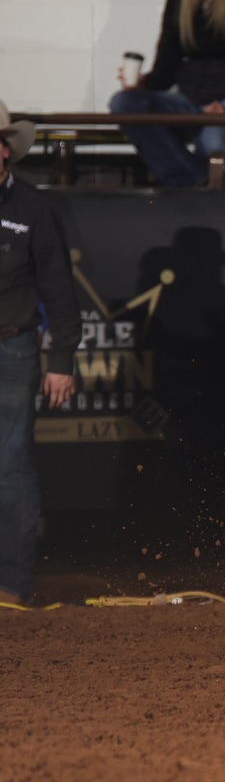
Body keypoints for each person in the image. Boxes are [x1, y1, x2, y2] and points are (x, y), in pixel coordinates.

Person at [0, 103, 81, 607]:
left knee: (9, 465)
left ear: (4, 150)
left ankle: (10, 586)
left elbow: (58, 287)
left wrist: (61, 360)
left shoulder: (33, 207)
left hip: (12, 345)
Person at [109, 0, 225, 187]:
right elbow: (166, 68)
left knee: (213, 141)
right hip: (190, 102)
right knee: (124, 102)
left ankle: (199, 191)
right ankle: (192, 182)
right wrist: (143, 84)